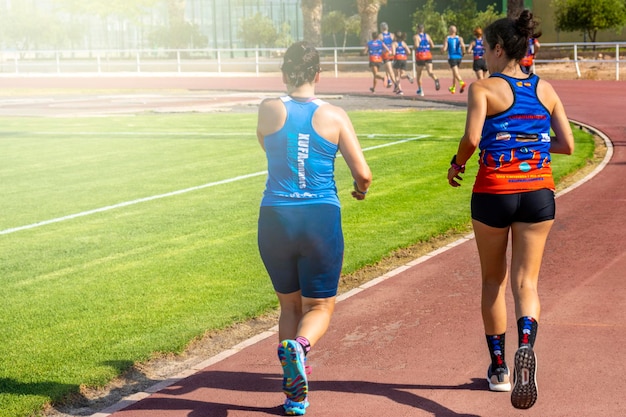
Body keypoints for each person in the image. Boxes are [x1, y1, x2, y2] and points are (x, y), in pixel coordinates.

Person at [446, 10, 574, 410]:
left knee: (492, 282)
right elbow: (566, 144)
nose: (483, 55)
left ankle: (500, 368)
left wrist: (458, 162)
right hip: (538, 193)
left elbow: (471, 137)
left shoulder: (483, 89)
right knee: (526, 283)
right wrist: (531, 146)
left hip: (494, 191)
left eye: (485, 48)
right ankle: (527, 347)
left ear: (500, 48)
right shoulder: (546, 89)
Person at [256, 41, 372, 416]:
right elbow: (364, 174)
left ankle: (295, 397)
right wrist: (360, 189)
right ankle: (301, 347)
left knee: (289, 304)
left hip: (275, 217)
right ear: (319, 74)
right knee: (319, 305)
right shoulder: (335, 116)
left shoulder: (268, 109)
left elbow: (270, 146)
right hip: (319, 217)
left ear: (285, 74)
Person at [412, 24, 440, 96]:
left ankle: (420, 90)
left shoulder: (416, 37)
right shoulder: (427, 36)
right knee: (430, 72)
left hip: (420, 56)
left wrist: (413, 48)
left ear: (418, 29)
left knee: (419, 74)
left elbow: (417, 45)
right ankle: (436, 79)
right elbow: (432, 45)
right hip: (428, 55)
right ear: (423, 29)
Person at [442, 25, 467, 94]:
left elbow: (445, 48)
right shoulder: (459, 38)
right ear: (455, 31)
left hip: (452, 57)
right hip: (459, 57)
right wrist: (463, 52)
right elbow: (463, 46)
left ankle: (461, 82)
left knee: (456, 73)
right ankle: (453, 87)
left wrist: (442, 50)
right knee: (454, 73)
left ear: (450, 31)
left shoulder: (447, 38)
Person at [391, 31, 414, 95]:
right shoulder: (403, 43)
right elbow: (409, 52)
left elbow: (393, 53)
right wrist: (403, 54)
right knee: (402, 75)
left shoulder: (394, 43)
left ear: (395, 36)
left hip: (397, 59)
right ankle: (407, 75)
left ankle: (400, 90)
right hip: (404, 59)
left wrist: (390, 55)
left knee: (396, 75)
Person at [378, 22, 397, 90]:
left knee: (390, 70)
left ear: (381, 28)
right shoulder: (392, 35)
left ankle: (395, 84)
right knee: (387, 68)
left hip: (386, 54)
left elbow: (379, 45)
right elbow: (395, 43)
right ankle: (389, 80)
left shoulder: (380, 35)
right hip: (392, 53)